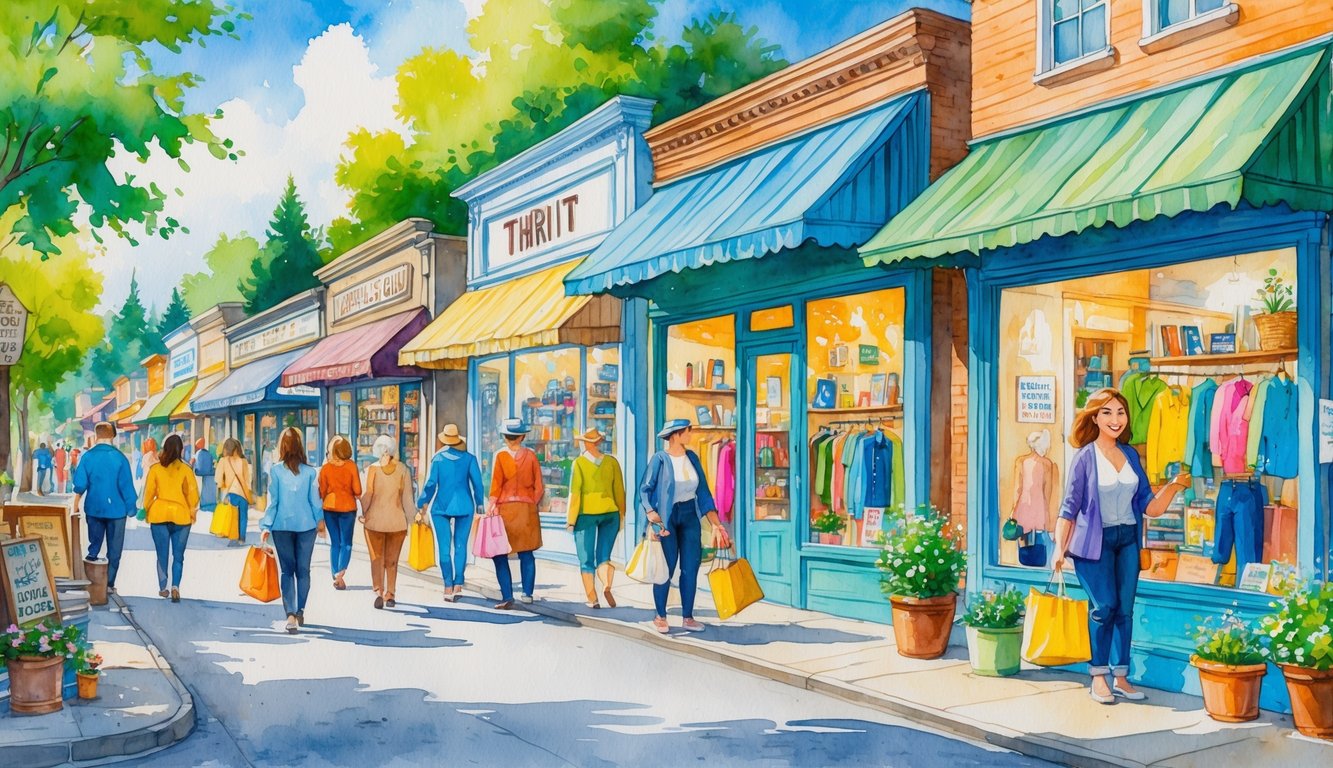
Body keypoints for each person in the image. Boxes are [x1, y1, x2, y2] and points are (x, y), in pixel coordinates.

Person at [1052, 388, 1188, 705]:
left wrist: (1173, 487)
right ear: (1095, 417)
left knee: (1124, 610)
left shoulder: (1130, 455)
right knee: (1104, 607)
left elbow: (1149, 507)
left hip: (1127, 538)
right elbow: (1068, 508)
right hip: (1093, 544)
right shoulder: (1084, 458)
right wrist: (1059, 548)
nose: (1116, 419)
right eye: (1108, 413)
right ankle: (1099, 676)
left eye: (1120, 413)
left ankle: (1121, 676)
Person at [639, 419, 732, 634]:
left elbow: (704, 493)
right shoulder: (660, 459)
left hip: (690, 516)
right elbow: (645, 490)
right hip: (667, 518)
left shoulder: (692, 458)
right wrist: (651, 515)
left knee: (690, 568)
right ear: (676, 435)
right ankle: (660, 615)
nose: (691, 434)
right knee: (666, 568)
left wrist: (717, 525)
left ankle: (687, 617)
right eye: (688, 431)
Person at [259, 427, 322, 634]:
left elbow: (273, 502)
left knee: (287, 570)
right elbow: (315, 501)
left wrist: (266, 526)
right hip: (306, 527)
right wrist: (320, 521)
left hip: (282, 526)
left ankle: (290, 615)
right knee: (303, 570)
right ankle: (301, 608)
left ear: (282, 447)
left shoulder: (275, 471)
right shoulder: (310, 472)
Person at [417, 424, 484, 602]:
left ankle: (447, 585)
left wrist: (421, 502)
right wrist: (480, 504)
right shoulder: (470, 459)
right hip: (464, 506)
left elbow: (431, 484)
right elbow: (478, 484)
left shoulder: (438, 459)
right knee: (461, 546)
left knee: (444, 548)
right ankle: (458, 584)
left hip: (441, 507)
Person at [72, 422, 137, 592]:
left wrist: (76, 503)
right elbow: (126, 486)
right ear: (113, 436)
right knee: (114, 550)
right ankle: (109, 583)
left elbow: (80, 483)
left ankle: (93, 582)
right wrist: (131, 507)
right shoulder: (120, 458)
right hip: (117, 511)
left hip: (94, 508)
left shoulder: (88, 457)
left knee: (94, 546)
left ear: (96, 435)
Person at [486, 418, 544, 610]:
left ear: (504, 437)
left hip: (506, 510)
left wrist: (491, 504)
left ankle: (507, 595)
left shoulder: (500, 456)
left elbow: (496, 485)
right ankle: (527, 593)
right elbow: (539, 487)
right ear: (523, 436)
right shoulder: (532, 456)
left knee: (500, 554)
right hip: (526, 510)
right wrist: (531, 503)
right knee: (526, 553)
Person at [567, 428, 625, 609]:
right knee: (604, 557)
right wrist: (621, 515)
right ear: (599, 442)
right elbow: (619, 492)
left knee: (586, 560)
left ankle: (593, 599)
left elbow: (575, 494)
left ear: (587, 443)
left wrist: (570, 520)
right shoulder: (612, 462)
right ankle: (607, 585)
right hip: (611, 513)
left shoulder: (579, 463)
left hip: (586, 515)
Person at [143, 434, 199, 603]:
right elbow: (193, 496)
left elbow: (148, 494)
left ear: (164, 449)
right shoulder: (186, 470)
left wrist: (146, 510)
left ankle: (163, 587)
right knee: (178, 555)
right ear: (181, 450)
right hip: (181, 517)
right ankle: (175, 586)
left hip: (159, 515)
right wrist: (192, 512)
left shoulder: (155, 469)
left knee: (162, 554)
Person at [360, 435, 415, 609]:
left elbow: (368, 495)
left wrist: (362, 513)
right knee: (392, 560)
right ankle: (390, 593)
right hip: (397, 522)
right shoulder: (403, 470)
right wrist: (413, 519)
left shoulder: (372, 470)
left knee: (377, 558)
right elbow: (407, 499)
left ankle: (378, 590)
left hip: (374, 521)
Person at [319, 435, 361, 590]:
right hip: (348, 508)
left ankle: (335, 573)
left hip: (329, 508)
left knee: (335, 543)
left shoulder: (325, 468)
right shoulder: (351, 466)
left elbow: (321, 491)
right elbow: (357, 490)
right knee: (347, 543)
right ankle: (340, 574)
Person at [216, 439, 254, 546]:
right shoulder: (243, 461)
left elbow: (219, 480)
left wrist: (222, 488)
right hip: (243, 493)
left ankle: (233, 538)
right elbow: (247, 479)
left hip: (231, 492)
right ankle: (242, 538)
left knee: (233, 516)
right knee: (243, 516)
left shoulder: (223, 461)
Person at [193, 439, 217, 511]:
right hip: (210, 477)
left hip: (201, 477)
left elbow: (199, 468)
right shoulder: (209, 453)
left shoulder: (198, 454)